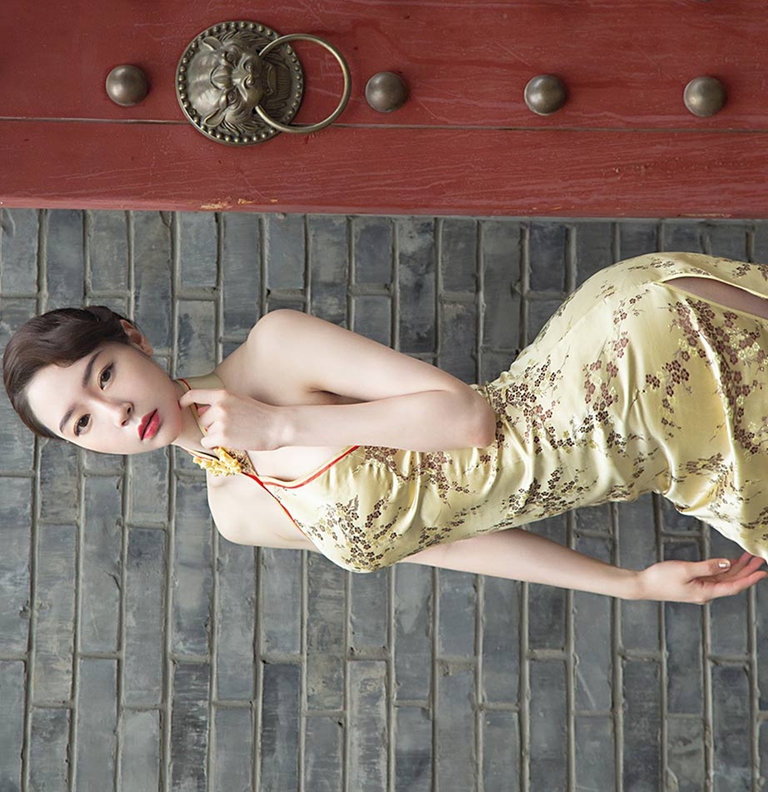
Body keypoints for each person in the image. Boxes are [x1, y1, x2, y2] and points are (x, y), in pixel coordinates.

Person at [4, 250, 768, 607]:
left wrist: (278, 425)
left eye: (104, 375)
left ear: (133, 340)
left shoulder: (274, 352)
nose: (114, 411)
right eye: (82, 421)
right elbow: (451, 541)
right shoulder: (236, 514)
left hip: (631, 363)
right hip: (644, 459)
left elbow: (469, 419)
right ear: (84, 447)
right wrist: (627, 584)